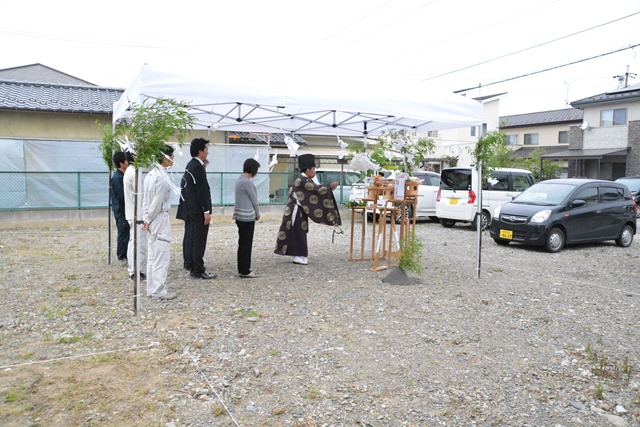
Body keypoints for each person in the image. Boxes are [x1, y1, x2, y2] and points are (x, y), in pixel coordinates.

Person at [274, 154, 341, 265]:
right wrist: (329, 187)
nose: (314, 171)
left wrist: (328, 187)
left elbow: (316, 189)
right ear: (308, 169)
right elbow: (316, 189)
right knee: (297, 233)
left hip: (299, 210)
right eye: (313, 169)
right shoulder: (302, 180)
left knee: (300, 232)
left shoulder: (305, 179)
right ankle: (298, 255)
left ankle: (300, 254)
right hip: (295, 211)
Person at [142, 145, 177, 301]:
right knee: (161, 254)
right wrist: (148, 218)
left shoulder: (150, 175)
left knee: (152, 255)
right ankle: (158, 290)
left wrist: (145, 218)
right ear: (165, 157)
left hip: (151, 218)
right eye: (172, 156)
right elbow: (156, 203)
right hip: (159, 218)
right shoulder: (161, 178)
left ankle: (152, 288)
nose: (173, 159)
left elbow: (145, 200)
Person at [182, 138, 216, 280]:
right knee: (199, 240)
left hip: (191, 209)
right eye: (206, 149)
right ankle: (197, 268)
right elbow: (201, 191)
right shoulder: (198, 167)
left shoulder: (190, 165)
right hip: (198, 210)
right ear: (200, 151)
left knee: (191, 237)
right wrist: (206, 211)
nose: (207, 152)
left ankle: (190, 263)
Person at [233, 158, 261, 278]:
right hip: (247, 217)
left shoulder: (239, 180)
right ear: (253, 170)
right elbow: (254, 199)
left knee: (242, 243)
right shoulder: (247, 182)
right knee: (246, 244)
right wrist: (258, 212)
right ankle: (245, 270)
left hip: (239, 216)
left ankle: (242, 268)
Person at [123, 151, 147, 281]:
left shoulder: (130, 171)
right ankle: (135, 271)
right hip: (137, 213)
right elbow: (141, 195)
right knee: (139, 244)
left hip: (133, 212)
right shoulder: (134, 172)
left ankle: (134, 269)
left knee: (133, 242)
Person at [110, 151, 129, 262]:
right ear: (122, 164)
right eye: (126, 161)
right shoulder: (118, 178)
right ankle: (122, 256)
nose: (128, 162)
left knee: (125, 233)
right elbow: (121, 197)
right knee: (123, 233)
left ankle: (124, 254)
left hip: (122, 209)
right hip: (121, 210)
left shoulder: (122, 176)